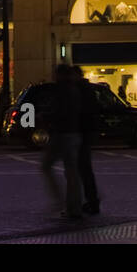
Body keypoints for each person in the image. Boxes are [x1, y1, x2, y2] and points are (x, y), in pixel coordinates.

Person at [41, 64, 84, 218]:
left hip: (63, 133)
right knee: (71, 171)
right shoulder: (73, 89)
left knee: (48, 166)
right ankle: (74, 206)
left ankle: (64, 202)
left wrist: (48, 116)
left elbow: (58, 111)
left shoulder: (62, 90)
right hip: (71, 133)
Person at [72, 66, 101, 214]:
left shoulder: (79, 90)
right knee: (84, 168)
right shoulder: (87, 89)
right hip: (86, 131)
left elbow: (82, 111)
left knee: (82, 168)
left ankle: (90, 200)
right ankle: (91, 200)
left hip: (81, 132)